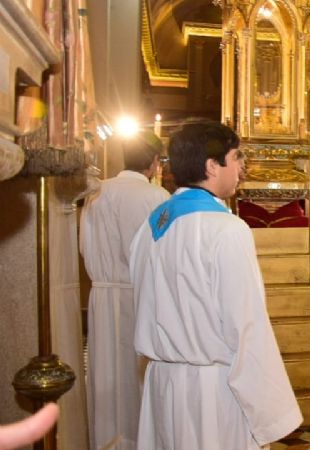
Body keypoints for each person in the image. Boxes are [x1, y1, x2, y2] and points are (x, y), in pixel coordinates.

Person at [129, 121, 302, 450]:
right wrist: (271, 414)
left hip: (162, 384)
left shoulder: (152, 226)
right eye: (235, 157)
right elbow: (247, 327)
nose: (241, 167)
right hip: (212, 392)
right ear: (212, 166)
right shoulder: (226, 229)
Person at [79, 130, 170, 450]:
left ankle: (104, 439)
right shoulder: (156, 197)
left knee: (106, 369)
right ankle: (140, 439)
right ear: (155, 163)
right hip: (139, 292)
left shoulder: (97, 191)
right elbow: (162, 251)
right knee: (136, 374)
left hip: (102, 294)